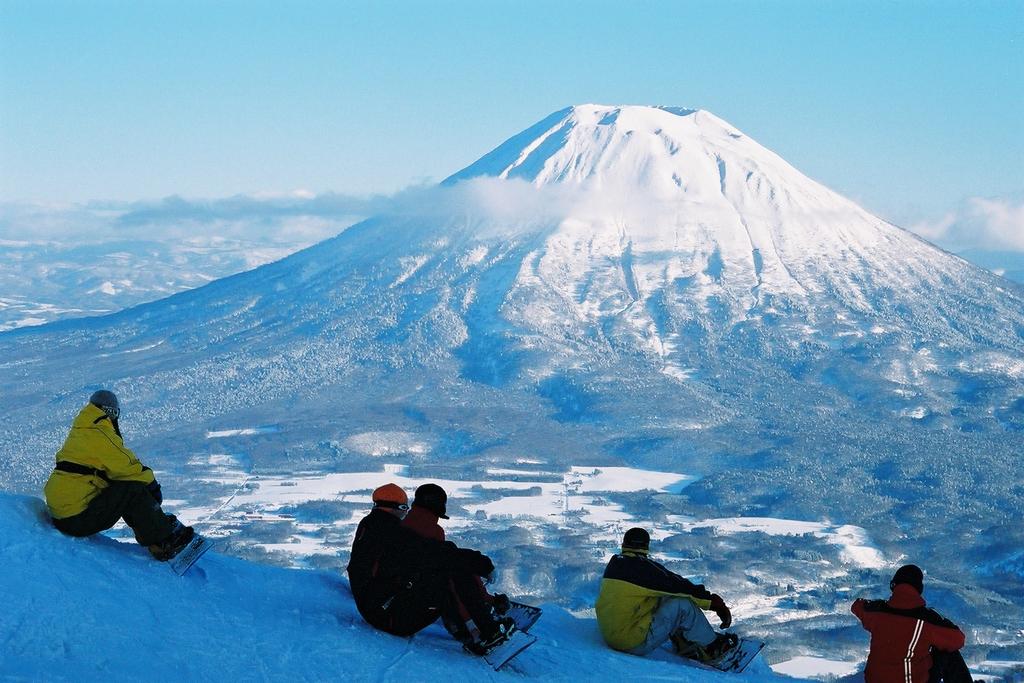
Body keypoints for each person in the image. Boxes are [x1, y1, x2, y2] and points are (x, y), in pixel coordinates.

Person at [346, 482, 516, 653]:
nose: (407, 512)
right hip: (388, 616)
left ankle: (474, 626)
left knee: (439, 572)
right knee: (448, 574)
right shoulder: (392, 533)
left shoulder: (373, 526)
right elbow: (437, 553)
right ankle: (485, 633)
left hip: (378, 608)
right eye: (404, 507)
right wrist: (483, 565)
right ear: (394, 507)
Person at [43, 390, 195, 561]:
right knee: (132, 489)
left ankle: (157, 525)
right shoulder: (98, 432)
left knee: (120, 488)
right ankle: (163, 543)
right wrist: (152, 486)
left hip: (63, 513)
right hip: (76, 519)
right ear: (111, 411)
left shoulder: (82, 429)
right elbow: (126, 466)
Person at [596, 527, 737, 662]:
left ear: (624, 544)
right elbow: (679, 586)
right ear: (646, 546)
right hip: (630, 642)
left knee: (664, 597)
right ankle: (713, 649)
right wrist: (715, 604)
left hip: (612, 634)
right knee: (682, 603)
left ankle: (684, 642)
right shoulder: (641, 569)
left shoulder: (615, 564)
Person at [400, 483, 512, 645]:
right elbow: (452, 571)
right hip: (416, 601)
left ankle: (472, 620)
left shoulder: (404, 525)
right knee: (458, 570)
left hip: (403, 595)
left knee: (454, 564)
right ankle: (480, 630)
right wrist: (486, 599)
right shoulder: (431, 531)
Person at [852, 564, 972, 683]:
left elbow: (857, 606)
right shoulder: (927, 620)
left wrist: (872, 603)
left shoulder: (877, 612)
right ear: (919, 588)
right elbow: (958, 639)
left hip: (873, 680)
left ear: (893, 585)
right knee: (948, 652)